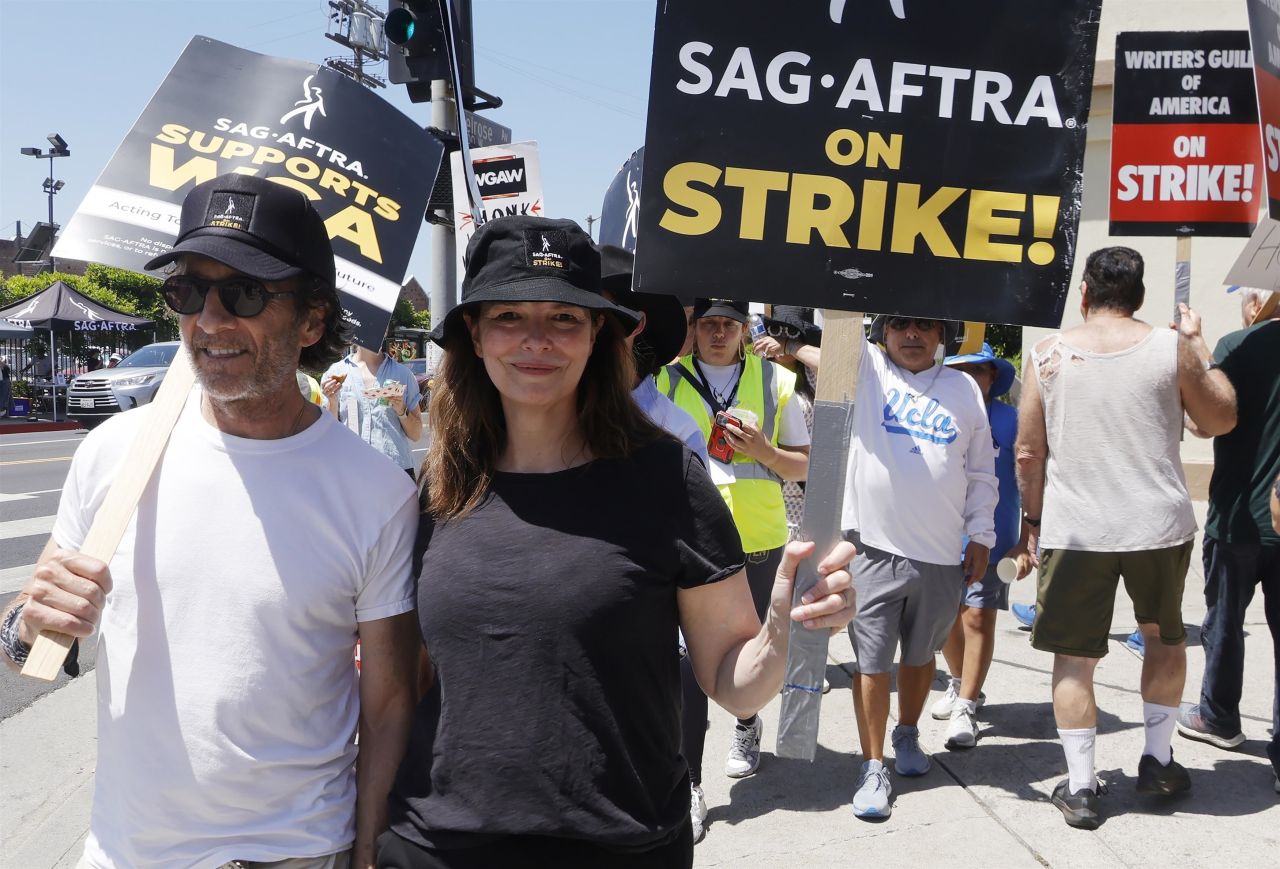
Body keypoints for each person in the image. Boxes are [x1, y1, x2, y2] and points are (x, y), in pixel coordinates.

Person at [380, 216, 856, 868]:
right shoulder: (439, 485)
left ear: (598, 332)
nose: (537, 340)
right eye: (510, 316)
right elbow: (405, 686)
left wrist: (783, 628)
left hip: (619, 844)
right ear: (475, 332)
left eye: (565, 318)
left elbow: (732, 680)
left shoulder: (667, 478)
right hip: (436, 845)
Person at [0, 173, 421, 868]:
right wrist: (27, 624)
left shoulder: (376, 491)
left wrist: (371, 850)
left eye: (246, 293)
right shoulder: (113, 451)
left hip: (300, 851)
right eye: (188, 292)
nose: (211, 320)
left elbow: (388, 705)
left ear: (313, 319)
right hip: (128, 852)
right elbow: (23, 640)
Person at [1015, 246, 1236, 830]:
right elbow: (1220, 419)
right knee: (1165, 642)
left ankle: (1083, 787)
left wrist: (1031, 524)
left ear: (1084, 294)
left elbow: (1028, 453)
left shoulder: (1048, 353)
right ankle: (1159, 760)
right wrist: (1198, 343)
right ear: (1139, 297)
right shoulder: (1173, 347)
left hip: (1076, 528)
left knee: (1073, 659)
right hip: (1157, 525)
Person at [842, 315, 997, 819]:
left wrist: (981, 535)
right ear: (882, 333)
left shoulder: (963, 389)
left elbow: (980, 470)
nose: (912, 335)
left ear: (942, 337)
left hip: (939, 553)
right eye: (901, 326)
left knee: (920, 657)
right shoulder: (868, 371)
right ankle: (873, 765)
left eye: (925, 327)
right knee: (871, 663)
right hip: (872, 549)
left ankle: (907, 734)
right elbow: (836, 318)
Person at [656, 299, 811, 788]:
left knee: (750, 654)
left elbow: (806, 465)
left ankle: (746, 724)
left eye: (728, 325)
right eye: (708, 325)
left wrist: (764, 451)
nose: (718, 333)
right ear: (694, 330)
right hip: (686, 542)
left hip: (756, 541)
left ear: (745, 330)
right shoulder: (665, 378)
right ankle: (692, 786)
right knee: (685, 665)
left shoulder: (775, 380)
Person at [1175, 287, 1280, 794]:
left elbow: (1205, 421)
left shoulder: (1240, 345)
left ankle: (1219, 717)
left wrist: (1196, 346)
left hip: (1238, 517)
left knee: (1224, 622)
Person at [927, 343, 1032, 749]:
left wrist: (1025, 540)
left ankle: (966, 705)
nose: (971, 378)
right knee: (945, 621)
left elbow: (1029, 482)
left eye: (980, 371)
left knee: (976, 619)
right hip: (939, 536)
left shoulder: (1011, 420)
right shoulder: (937, 416)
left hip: (993, 538)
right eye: (961, 371)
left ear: (992, 378)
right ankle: (959, 682)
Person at [597, 244, 706, 465]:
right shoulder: (543, 416)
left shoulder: (679, 432)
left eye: (602, 316)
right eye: (566, 317)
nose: (588, 330)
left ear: (637, 324)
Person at [322, 338, 424, 479]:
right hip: (352, 472)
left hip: (396, 472)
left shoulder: (403, 374)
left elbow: (416, 434)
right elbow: (328, 434)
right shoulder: (335, 373)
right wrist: (332, 402)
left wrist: (402, 411)